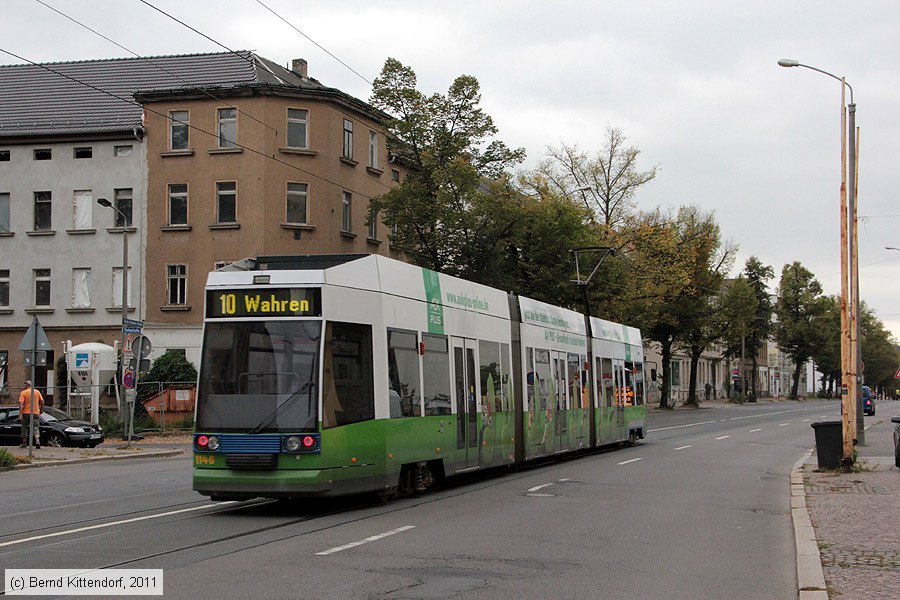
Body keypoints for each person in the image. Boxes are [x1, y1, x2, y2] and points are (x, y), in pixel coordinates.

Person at [19, 380, 44, 448]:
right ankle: (37, 441)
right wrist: (41, 409)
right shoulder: (37, 392)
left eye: (25, 385)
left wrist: (20, 414)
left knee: (24, 427)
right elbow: (42, 401)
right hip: (35, 412)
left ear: (27, 385)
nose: (24, 386)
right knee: (36, 427)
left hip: (26, 413)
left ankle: (24, 443)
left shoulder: (23, 393)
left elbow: (21, 403)